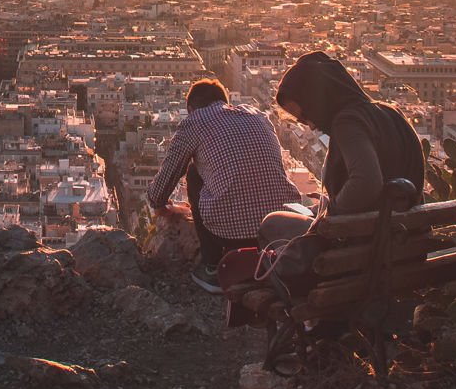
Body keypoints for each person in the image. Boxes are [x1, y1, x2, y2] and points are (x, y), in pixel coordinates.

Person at [146, 78, 304, 292]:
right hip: (281, 228)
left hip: (231, 235)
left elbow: (168, 176)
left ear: (190, 108)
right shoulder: (258, 116)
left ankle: (212, 266)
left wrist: (159, 204)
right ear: (226, 102)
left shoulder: (196, 121)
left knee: (194, 171)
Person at [261, 52, 425, 245]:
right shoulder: (391, 112)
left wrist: (330, 214)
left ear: (319, 100)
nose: (311, 125)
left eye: (306, 115)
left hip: (367, 246)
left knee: (272, 224)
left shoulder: (348, 122)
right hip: (406, 240)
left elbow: (367, 183)